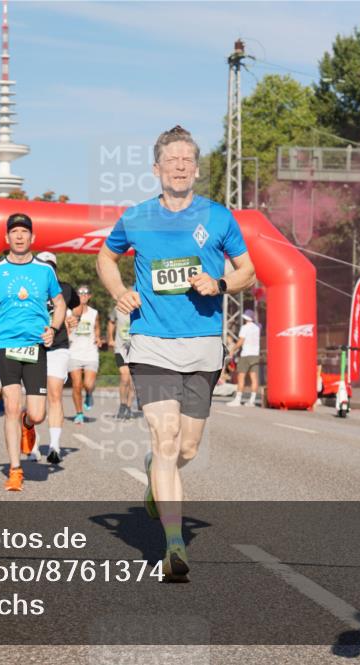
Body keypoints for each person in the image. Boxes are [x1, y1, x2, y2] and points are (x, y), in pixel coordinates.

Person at [97, 125, 255, 580]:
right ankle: (173, 545)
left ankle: (153, 473)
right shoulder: (136, 217)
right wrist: (119, 291)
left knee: (186, 445)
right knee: (164, 439)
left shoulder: (219, 217)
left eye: (187, 160)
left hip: (203, 343)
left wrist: (220, 283)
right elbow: (106, 258)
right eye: (172, 160)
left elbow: (248, 270)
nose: (180, 166)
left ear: (197, 168)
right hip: (151, 343)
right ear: (157, 168)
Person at [0, 213, 66, 491]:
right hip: (6, 343)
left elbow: (59, 303)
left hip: (35, 345)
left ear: (32, 238)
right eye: (14, 232)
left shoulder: (45, 271)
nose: (20, 236)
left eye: (24, 231)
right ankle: (15, 469)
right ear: (7, 238)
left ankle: (29, 424)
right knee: (11, 405)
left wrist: (53, 327)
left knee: (37, 414)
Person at [35, 251, 81, 464]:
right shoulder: (29, 286)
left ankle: (54, 445)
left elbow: (77, 306)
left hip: (58, 347)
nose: (48, 268)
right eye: (44, 265)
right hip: (31, 348)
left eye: (51, 265)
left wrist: (74, 318)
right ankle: (33, 444)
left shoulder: (65, 288)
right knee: (34, 399)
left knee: (54, 394)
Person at [68, 285, 102, 424]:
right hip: (74, 352)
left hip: (90, 353)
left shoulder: (94, 313)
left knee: (88, 384)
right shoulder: (68, 313)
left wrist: (98, 338)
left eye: (85, 293)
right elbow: (65, 329)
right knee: (76, 384)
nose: (83, 295)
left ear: (89, 296)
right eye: (80, 293)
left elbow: (97, 328)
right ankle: (79, 413)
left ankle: (89, 393)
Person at [108, 298, 136, 419]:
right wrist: (110, 338)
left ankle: (129, 407)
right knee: (125, 377)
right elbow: (111, 322)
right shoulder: (117, 309)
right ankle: (122, 404)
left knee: (132, 381)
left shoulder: (138, 310)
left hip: (135, 350)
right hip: (120, 349)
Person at [227, 309, 261, 407]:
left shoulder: (244, 327)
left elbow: (241, 341)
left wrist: (233, 350)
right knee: (254, 378)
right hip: (255, 354)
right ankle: (252, 401)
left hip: (246, 354)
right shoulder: (257, 328)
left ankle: (238, 400)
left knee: (241, 377)